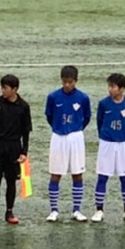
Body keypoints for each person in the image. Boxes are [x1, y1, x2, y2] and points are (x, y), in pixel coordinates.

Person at [0, 74, 31, 224]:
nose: (2, 90)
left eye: (5, 88)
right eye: (2, 88)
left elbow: (26, 132)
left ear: (14, 89)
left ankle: (9, 212)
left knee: (11, 181)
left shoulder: (23, 107)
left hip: (13, 147)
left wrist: (24, 152)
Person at [45, 64, 92, 222]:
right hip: (58, 137)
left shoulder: (83, 98)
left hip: (76, 137)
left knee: (77, 174)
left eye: (70, 82)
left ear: (76, 81)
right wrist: (58, 127)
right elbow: (49, 116)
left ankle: (76, 210)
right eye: (64, 81)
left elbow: (87, 117)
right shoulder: (53, 97)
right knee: (55, 174)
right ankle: (54, 210)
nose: (67, 85)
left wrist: (76, 129)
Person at [93, 72, 125, 223]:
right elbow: (99, 121)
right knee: (102, 176)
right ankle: (99, 210)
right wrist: (106, 136)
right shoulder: (104, 104)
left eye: (113, 86)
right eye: (109, 86)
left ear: (122, 88)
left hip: (123, 144)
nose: (110, 89)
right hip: (107, 143)